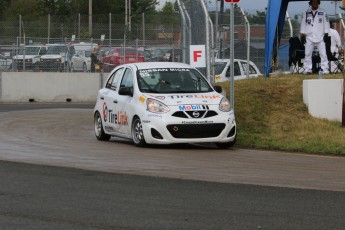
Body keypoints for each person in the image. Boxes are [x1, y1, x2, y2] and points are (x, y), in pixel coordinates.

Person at [300, 0, 330, 74]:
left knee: (323, 53)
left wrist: (326, 33)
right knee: (307, 53)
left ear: (318, 3)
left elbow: (326, 22)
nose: (315, 3)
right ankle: (308, 69)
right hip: (309, 36)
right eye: (313, 2)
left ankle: (325, 69)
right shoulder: (306, 13)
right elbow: (303, 23)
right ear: (310, 3)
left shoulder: (323, 12)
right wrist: (302, 34)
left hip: (320, 36)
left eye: (316, 2)